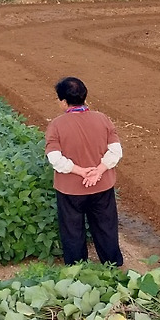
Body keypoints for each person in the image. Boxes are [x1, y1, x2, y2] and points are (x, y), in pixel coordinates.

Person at [44, 76, 125, 266]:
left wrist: (80, 171)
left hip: (70, 190)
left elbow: (55, 159)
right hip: (102, 186)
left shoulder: (56, 125)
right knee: (106, 227)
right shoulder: (103, 119)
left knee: (72, 231)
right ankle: (113, 266)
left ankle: (77, 270)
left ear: (64, 101)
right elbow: (115, 152)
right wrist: (98, 171)